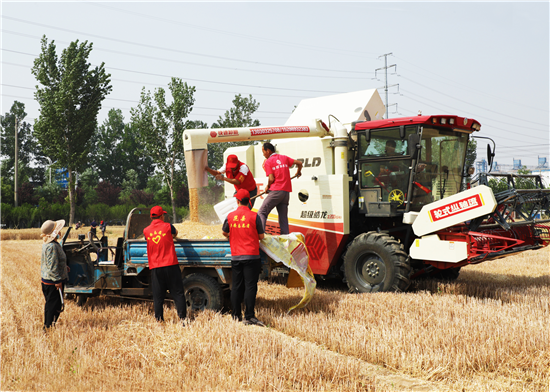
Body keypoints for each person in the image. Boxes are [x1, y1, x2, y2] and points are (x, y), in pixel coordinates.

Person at [222, 189, 265, 326]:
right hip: (252, 256)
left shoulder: (230, 216)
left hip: (236, 257)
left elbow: (224, 232)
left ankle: (236, 315)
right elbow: (261, 236)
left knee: (236, 286)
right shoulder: (254, 216)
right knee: (250, 286)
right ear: (249, 201)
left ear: (237, 201)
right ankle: (249, 316)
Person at [143, 206, 187, 324]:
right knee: (178, 293)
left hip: (156, 267)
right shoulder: (168, 226)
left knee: (158, 296)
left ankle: (159, 320)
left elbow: (148, 239)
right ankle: (183, 319)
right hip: (171, 264)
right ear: (162, 216)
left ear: (151, 217)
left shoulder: (146, 230)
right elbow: (175, 233)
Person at [257, 142, 302, 234]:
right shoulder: (284, 158)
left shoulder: (268, 161)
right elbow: (299, 163)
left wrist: (268, 187)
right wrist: (298, 172)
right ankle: (285, 238)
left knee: (261, 212)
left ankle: (260, 236)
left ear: (268, 151)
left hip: (276, 191)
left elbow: (271, 178)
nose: (263, 154)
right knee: (283, 217)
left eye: (263, 151)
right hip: (286, 193)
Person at [40, 219, 68, 330]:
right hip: (52, 282)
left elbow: (53, 262)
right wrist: (57, 281)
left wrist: (64, 267)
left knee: (53, 305)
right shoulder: (52, 246)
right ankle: (47, 327)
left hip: (49, 280)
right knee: (53, 306)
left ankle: (50, 325)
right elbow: (52, 266)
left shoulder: (51, 244)